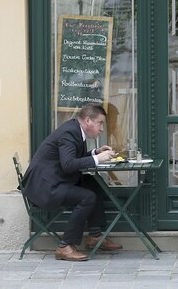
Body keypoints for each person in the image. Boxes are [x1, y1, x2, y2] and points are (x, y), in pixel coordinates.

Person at [21, 103, 123, 261]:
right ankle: (65, 246)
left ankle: (95, 236)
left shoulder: (75, 130)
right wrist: (96, 159)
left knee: (92, 182)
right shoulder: (70, 132)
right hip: (45, 188)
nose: (102, 128)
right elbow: (68, 165)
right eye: (100, 123)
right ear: (88, 120)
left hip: (53, 181)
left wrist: (95, 152)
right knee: (87, 197)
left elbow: (71, 159)